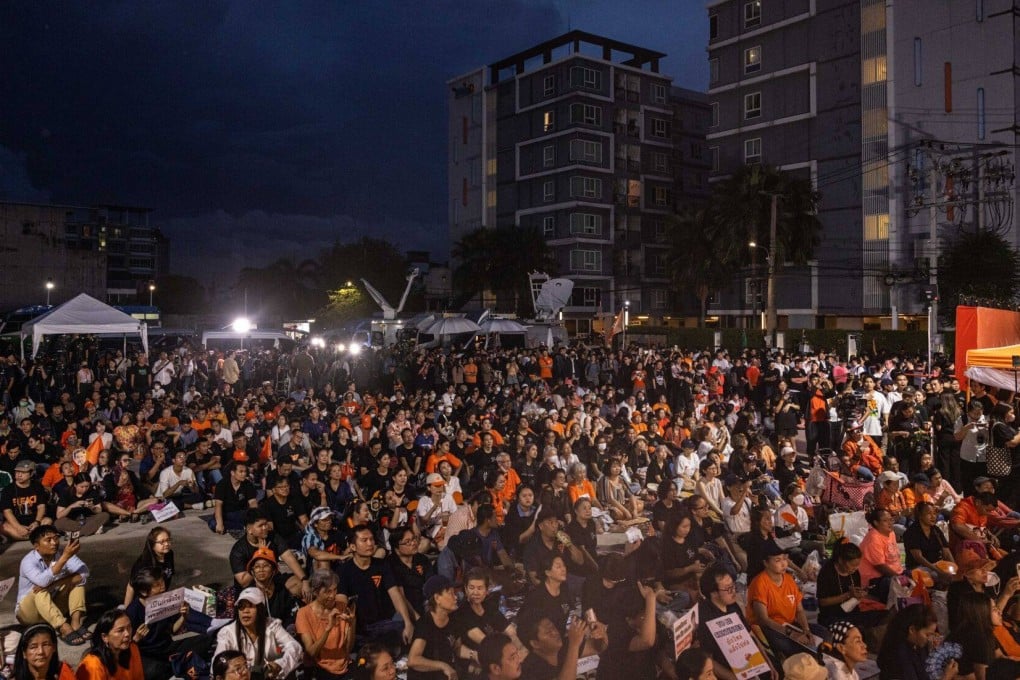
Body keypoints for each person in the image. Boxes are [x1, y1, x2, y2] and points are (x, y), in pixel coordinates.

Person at [338, 524, 416, 646]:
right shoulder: (344, 570)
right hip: (360, 628)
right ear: (352, 546)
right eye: (364, 540)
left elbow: (395, 593)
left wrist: (408, 623)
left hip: (384, 623)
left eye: (372, 539)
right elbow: (341, 601)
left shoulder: (382, 565)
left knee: (403, 626)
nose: (370, 543)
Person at [697, 564, 774, 680]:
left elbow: (750, 635)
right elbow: (708, 659)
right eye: (728, 588)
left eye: (733, 586)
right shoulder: (705, 617)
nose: (734, 591)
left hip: (749, 661)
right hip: (729, 670)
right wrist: (735, 678)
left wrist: (768, 663)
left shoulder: (732, 605)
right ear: (714, 593)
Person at [17, 526, 89, 646]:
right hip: (29, 614)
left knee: (77, 583)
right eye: (48, 540)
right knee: (39, 591)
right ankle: (63, 628)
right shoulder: (28, 561)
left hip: (51, 609)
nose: (54, 543)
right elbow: (41, 582)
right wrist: (65, 557)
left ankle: (76, 623)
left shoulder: (61, 553)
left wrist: (56, 583)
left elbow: (84, 573)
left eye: (56, 538)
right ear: (36, 546)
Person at [213, 587, 303, 680]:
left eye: (251, 606)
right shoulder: (227, 633)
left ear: (260, 609)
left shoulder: (272, 625)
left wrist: (280, 664)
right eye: (241, 606)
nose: (245, 611)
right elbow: (217, 664)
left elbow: (295, 647)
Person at [746, 544, 815, 659]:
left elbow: (799, 610)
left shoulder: (789, 579)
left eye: (784, 558)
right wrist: (790, 634)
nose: (784, 564)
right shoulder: (759, 583)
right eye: (778, 560)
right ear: (766, 563)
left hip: (789, 625)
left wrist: (806, 629)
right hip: (768, 628)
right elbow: (763, 620)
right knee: (788, 645)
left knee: (822, 633)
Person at [295, 570, 356, 680]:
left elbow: (348, 649)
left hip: (344, 666)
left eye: (335, 590)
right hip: (318, 669)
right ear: (315, 592)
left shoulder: (342, 607)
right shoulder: (304, 613)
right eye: (327, 592)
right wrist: (328, 629)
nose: (333, 596)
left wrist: (352, 624)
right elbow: (311, 652)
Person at [595, 579, 658, 680]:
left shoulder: (648, 622)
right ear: (629, 618)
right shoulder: (616, 632)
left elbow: (658, 649)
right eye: (645, 613)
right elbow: (647, 641)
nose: (649, 616)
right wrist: (650, 599)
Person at [407, 575, 461, 680]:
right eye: (450, 593)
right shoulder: (425, 623)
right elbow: (413, 660)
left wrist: (475, 656)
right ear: (437, 598)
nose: (456, 597)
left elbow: (457, 647)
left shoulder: (454, 620)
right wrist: (443, 666)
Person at [876, 604, 948, 680]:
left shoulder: (917, 645)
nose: (929, 639)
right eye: (927, 635)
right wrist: (946, 677)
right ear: (912, 630)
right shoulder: (897, 654)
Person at [74, 608, 144, 680]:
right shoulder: (93, 665)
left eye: (129, 627)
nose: (127, 634)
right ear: (105, 637)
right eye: (120, 630)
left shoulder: (133, 648)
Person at [517, 614, 588, 680]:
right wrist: (574, 645)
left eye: (553, 627)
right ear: (535, 644)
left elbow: (594, 647)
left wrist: (597, 631)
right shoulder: (531, 670)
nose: (555, 633)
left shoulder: (561, 646)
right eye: (548, 632)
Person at [946, 590, 997, 680]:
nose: (1000, 612)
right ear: (982, 612)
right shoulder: (977, 637)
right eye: (994, 609)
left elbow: (1000, 658)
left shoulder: (979, 632)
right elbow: (983, 677)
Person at [858, 508, 904, 602]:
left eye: (891, 520)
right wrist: (901, 578)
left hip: (893, 573)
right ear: (876, 523)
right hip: (875, 580)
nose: (890, 523)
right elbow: (880, 566)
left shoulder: (891, 533)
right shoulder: (873, 539)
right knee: (895, 587)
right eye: (885, 521)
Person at [903, 502, 956, 582]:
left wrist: (955, 568)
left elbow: (946, 551)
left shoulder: (936, 530)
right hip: (919, 567)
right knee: (935, 576)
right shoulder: (912, 532)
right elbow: (918, 557)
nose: (933, 517)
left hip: (937, 565)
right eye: (929, 513)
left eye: (934, 513)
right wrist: (938, 571)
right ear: (920, 515)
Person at [1, 459, 51, 542]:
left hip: (34, 521)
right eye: (17, 472)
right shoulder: (8, 489)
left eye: (23, 473)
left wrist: (37, 522)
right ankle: (36, 537)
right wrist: (18, 527)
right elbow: (7, 511)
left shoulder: (37, 486)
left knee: (47, 521)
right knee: (4, 527)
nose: (19, 475)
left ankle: (29, 536)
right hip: (17, 522)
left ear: (31, 474)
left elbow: (41, 506)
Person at [123, 527, 175, 606]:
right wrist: (127, 610)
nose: (167, 544)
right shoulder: (144, 563)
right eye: (162, 542)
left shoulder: (169, 554)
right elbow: (131, 587)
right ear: (152, 545)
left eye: (168, 540)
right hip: (146, 603)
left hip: (160, 599)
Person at [11, 623, 76, 680]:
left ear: (54, 648)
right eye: (33, 647)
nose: (40, 652)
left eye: (46, 645)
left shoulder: (64, 673)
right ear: (24, 653)